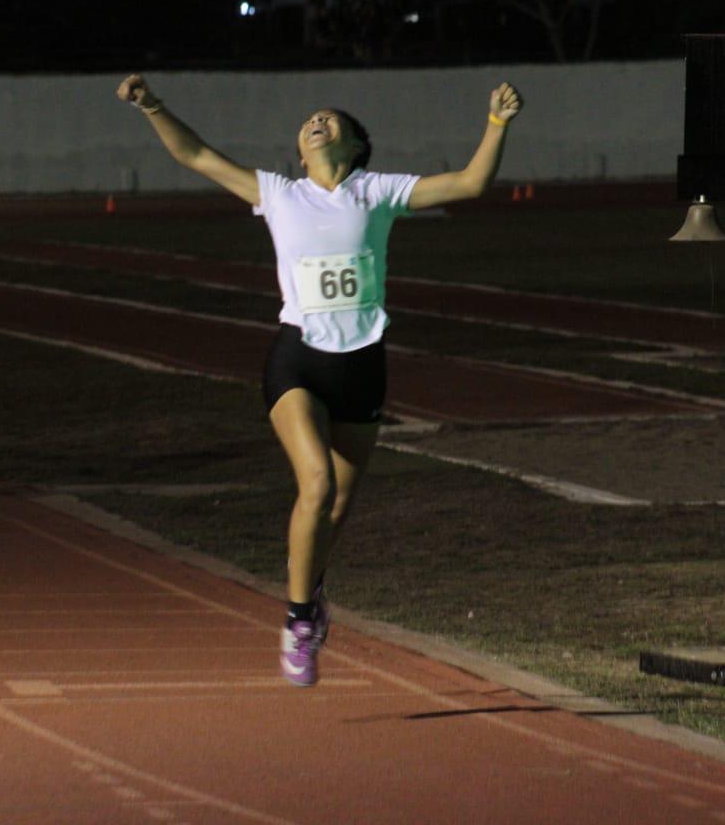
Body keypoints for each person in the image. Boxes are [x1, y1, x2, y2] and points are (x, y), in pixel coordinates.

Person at [116, 73, 522, 687]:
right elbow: (196, 154)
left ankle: (313, 592)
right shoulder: (278, 193)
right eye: (310, 121)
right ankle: (298, 621)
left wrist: (496, 124)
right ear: (299, 150)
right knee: (316, 482)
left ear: (357, 144)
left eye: (332, 120)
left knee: (335, 510)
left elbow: (470, 182)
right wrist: (152, 105)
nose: (317, 122)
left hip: (362, 367)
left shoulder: (377, 191)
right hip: (297, 360)